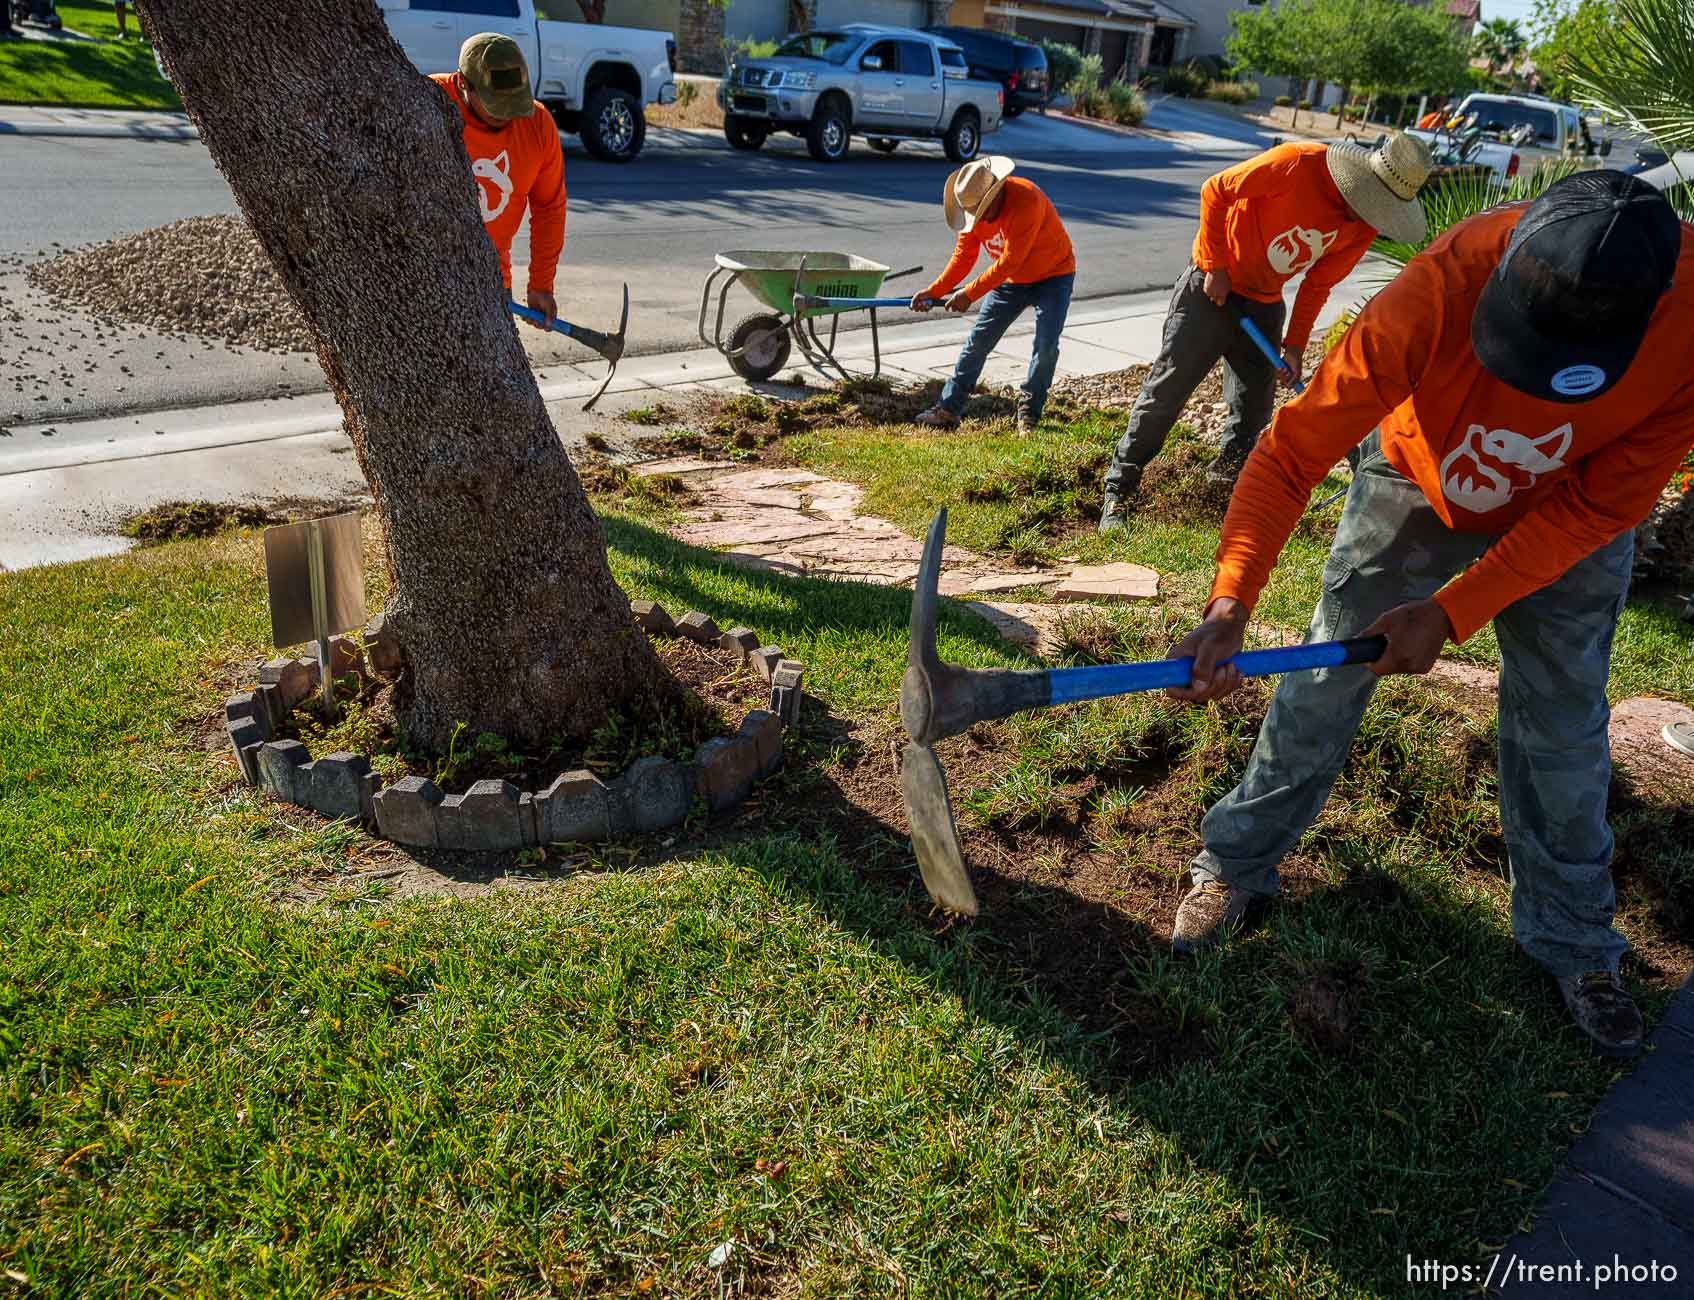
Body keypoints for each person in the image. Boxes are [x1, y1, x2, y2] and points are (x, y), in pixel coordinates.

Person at [1162, 171, 1692, 1060]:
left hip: (1575, 511)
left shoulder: (1690, 325)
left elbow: (1602, 512)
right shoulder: (1441, 286)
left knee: (1562, 719)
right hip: (1418, 472)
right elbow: (1290, 454)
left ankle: (1572, 938)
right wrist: (1229, 601)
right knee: (1329, 668)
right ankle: (1237, 862)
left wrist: (1453, 613)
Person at [1097, 134, 1433, 528]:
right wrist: (1215, 264)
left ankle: (1219, 489)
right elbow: (1215, 190)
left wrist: (1293, 347)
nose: (1373, 215)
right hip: (1211, 291)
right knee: (1168, 392)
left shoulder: (1364, 226)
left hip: (1263, 305)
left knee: (1252, 411)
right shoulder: (1297, 163)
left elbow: (1317, 286)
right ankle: (1118, 490)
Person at [911, 157, 1076, 435]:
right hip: (1009, 281)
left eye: (984, 210)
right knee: (977, 343)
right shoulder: (973, 212)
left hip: (1053, 276)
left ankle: (1029, 414)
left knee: (1045, 347)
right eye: (976, 212)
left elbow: (1011, 261)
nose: (979, 218)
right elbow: (964, 256)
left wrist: (969, 294)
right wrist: (935, 290)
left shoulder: (1027, 200)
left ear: (997, 191)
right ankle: (949, 409)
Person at [430, 34, 565, 331]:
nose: (507, 115)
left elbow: (549, 208)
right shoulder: (428, 103)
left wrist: (542, 283)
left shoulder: (538, 124)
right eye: (496, 105)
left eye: (514, 103)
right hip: (427, 277)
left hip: (492, 281)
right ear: (463, 83)